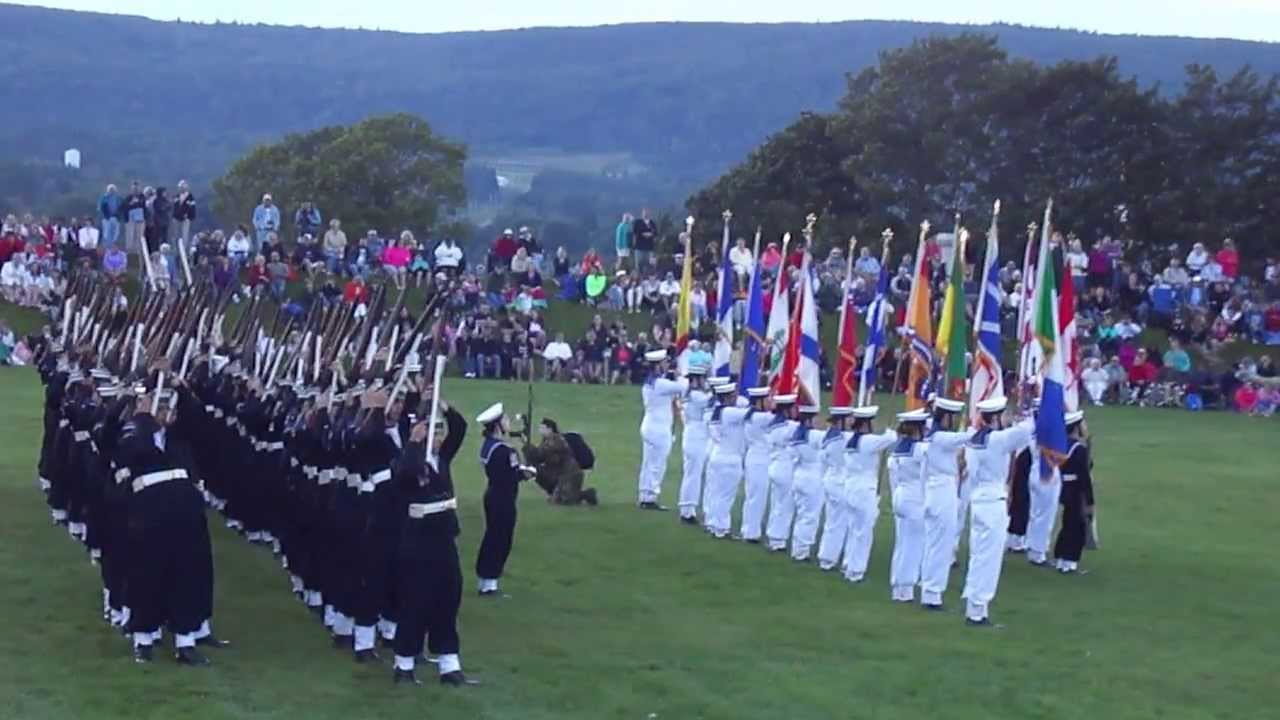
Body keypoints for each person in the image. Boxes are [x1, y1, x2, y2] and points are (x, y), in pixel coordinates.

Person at [390, 397, 478, 686]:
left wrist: (445, 406)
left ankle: (448, 664)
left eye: (439, 432)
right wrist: (415, 443)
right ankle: (404, 664)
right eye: (433, 432)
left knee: (449, 595)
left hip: (444, 537)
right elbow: (404, 476)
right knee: (416, 601)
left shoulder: (443, 458)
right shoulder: (407, 459)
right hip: (418, 541)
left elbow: (461, 428)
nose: (438, 438)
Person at [961, 397, 1034, 626]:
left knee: (978, 556)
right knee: (989, 559)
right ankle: (978, 610)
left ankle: (974, 606)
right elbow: (1025, 432)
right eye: (1003, 415)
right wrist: (1030, 412)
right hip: (992, 501)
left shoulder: (974, 439)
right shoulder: (996, 440)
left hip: (978, 499)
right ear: (995, 417)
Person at [918, 398, 973, 609]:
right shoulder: (940, 437)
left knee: (934, 543)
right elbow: (963, 438)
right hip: (942, 492)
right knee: (940, 544)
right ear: (946, 416)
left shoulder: (933, 436)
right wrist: (975, 427)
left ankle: (929, 590)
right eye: (953, 417)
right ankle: (932, 594)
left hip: (936, 491)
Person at [475, 403, 533, 596]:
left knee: (491, 537)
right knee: (501, 539)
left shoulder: (487, 447)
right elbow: (510, 475)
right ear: (498, 425)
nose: (508, 422)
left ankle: (485, 579)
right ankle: (490, 582)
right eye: (505, 420)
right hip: (504, 498)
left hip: (492, 495)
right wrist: (526, 473)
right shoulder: (504, 450)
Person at [840, 406, 896, 584]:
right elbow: (891, 439)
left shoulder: (849, 439)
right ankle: (856, 571)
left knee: (853, 528)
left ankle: (848, 563)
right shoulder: (868, 441)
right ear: (865, 424)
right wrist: (889, 431)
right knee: (863, 532)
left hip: (850, 487)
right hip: (864, 489)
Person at [636, 350, 687, 510]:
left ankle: (644, 494)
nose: (667, 365)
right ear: (658, 365)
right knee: (658, 464)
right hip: (658, 429)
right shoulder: (660, 384)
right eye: (664, 362)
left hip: (649, 425)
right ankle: (650, 497)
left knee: (648, 462)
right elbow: (682, 387)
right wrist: (681, 374)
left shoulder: (651, 382)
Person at [889, 409, 929, 603]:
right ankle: (905, 588)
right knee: (913, 546)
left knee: (902, 543)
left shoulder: (898, 447)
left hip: (900, 495)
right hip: (914, 498)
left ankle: (897, 584)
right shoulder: (920, 449)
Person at [703, 382, 748, 539]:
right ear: (728, 397)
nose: (736, 397)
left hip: (718, 455)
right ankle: (721, 528)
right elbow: (749, 413)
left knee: (717, 492)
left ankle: (714, 523)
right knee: (726, 495)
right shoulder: (729, 412)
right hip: (729, 458)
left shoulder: (717, 411)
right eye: (733, 395)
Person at [524, 417, 597, 506]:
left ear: (549, 429)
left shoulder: (556, 440)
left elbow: (541, 454)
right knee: (557, 500)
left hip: (570, 474)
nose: (540, 430)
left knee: (565, 501)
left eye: (542, 428)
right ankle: (560, 492)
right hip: (560, 474)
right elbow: (538, 458)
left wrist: (529, 448)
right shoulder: (547, 441)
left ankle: (587, 494)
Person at [816, 407, 854, 571]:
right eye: (850, 417)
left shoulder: (828, 436)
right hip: (840, 481)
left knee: (832, 521)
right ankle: (829, 558)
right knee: (839, 522)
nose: (853, 420)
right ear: (841, 421)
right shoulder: (844, 438)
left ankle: (826, 555)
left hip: (830, 479)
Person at [676, 367, 713, 524]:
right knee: (693, 474)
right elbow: (710, 401)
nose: (704, 381)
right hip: (696, 435)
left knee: (693, 473)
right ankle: (687, 510)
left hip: (694, 434)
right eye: (703, 378)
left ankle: (688, 508)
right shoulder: (696, 395)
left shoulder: (691, 394)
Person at [789, 405, 825, 562]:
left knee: (801, 514)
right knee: (810, 516)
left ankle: (797, 548)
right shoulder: (815, 435)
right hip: (812, 478)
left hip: (799, 476)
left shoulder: (796, 434)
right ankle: (802, 551)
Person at [739, 387, 774, 542]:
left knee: (753, 496)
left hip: (754, 458)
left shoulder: (752, 415)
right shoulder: (760, 417)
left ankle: (749, 529)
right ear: (759, 401)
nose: (770, 401)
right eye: (767, 399)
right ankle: (751, 532)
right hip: (759, 460)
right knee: (756, 497)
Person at [764, 394, 799, 551]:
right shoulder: (790, 427)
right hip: (785, 467)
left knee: (776, 503)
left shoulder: (772, 424)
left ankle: (773, 535)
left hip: (774, 465)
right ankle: (778, 540)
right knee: (784, 505)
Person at [99, 184, 122, 250]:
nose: (112, 191)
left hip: (116, 218)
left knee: (116, 234)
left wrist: (118, 216)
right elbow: (100, 207)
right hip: (106, 219)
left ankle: (114, 248)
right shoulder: (104, 198)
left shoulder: (118, 198)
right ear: (107, 190)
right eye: (110, 189)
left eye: (113, 189)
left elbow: (121, 207)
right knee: (106, 235)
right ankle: (106, 249)